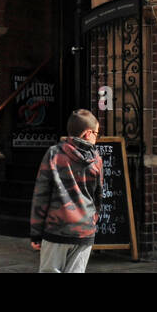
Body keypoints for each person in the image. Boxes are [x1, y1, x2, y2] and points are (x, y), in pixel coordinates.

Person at [30, 109, 103, 273]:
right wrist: (91, 221)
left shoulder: (54, 154)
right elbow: (99, 196)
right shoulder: (96, 159)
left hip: (56, 228)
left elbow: (40, 196)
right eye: (96, 133)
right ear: (87, 133)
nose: (97, 138)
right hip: (84, 230)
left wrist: (36, 233)